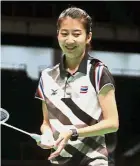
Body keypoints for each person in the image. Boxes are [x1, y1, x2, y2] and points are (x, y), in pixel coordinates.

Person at [35, 6, 119, 166]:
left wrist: (73, 132)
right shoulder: (47, 76)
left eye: (76, 34)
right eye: (64, 33)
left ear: (88, 37)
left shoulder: (98, 72)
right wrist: (46, 134)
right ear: (58, 35)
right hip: (59, 160)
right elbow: (46, 122)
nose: (70, 40)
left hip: (93, 160)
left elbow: (112, 123)